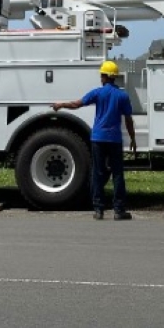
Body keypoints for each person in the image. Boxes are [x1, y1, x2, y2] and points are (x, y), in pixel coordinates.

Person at [51, 60, 136, 220]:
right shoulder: (122, 96)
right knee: (117, 174)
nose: (100, 78)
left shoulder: (98, 93)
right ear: (115, 77)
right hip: (115, 139)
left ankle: (98, 210)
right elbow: (129, 120)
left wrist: (60, 104)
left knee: (98, 172)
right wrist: (132, 138)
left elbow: (77, 104)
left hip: (98, 138)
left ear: (104, 77)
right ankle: (119, 211)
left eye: (101, 75)